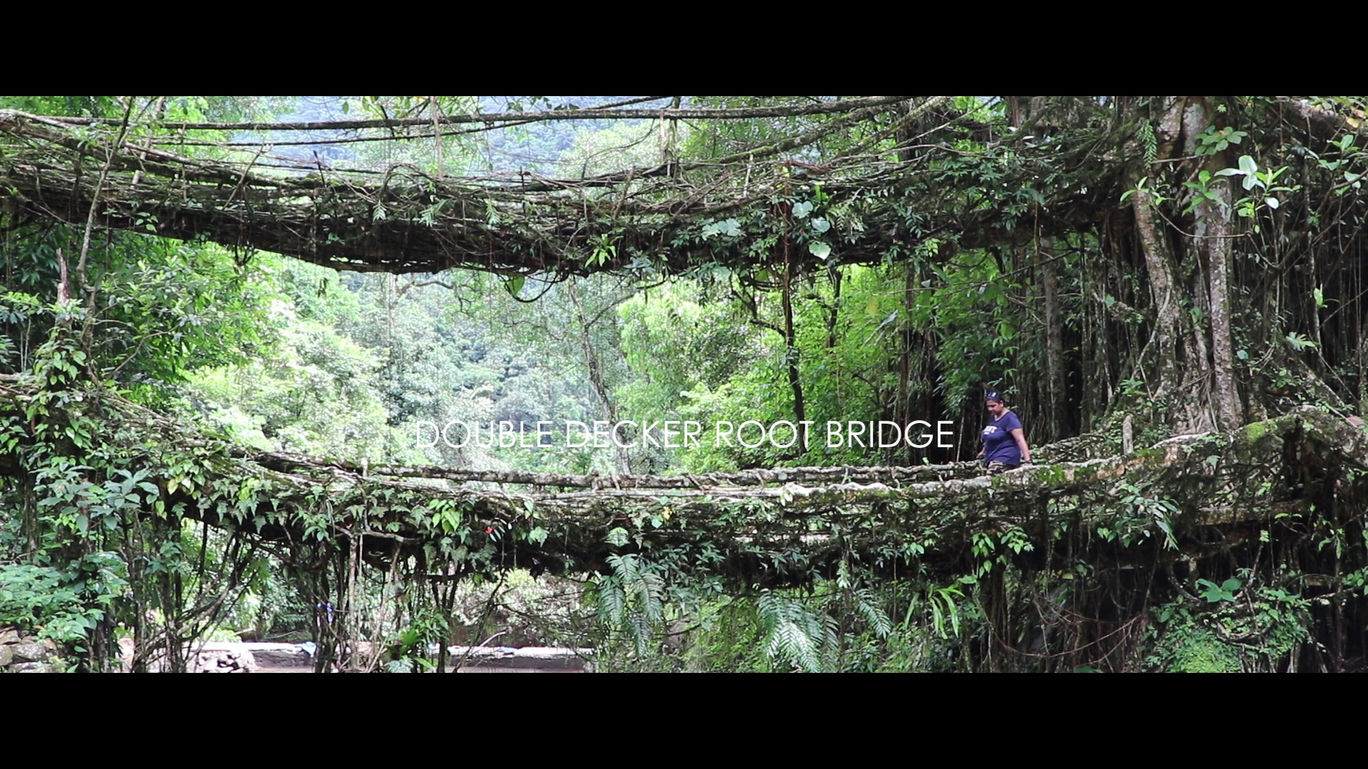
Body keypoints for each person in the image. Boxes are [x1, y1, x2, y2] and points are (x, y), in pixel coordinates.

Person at [977, 390, 1032, 475]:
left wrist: (1027, 461)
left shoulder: (1010, 418)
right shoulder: (993, 417)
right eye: (988, 406)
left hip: (1006, 457)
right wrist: (983, 451)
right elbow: (990, 435)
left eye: (993, 406)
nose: (990, 409)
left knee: (991, 477)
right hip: (991, 456)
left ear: (1001, 403)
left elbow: (1020, 439)